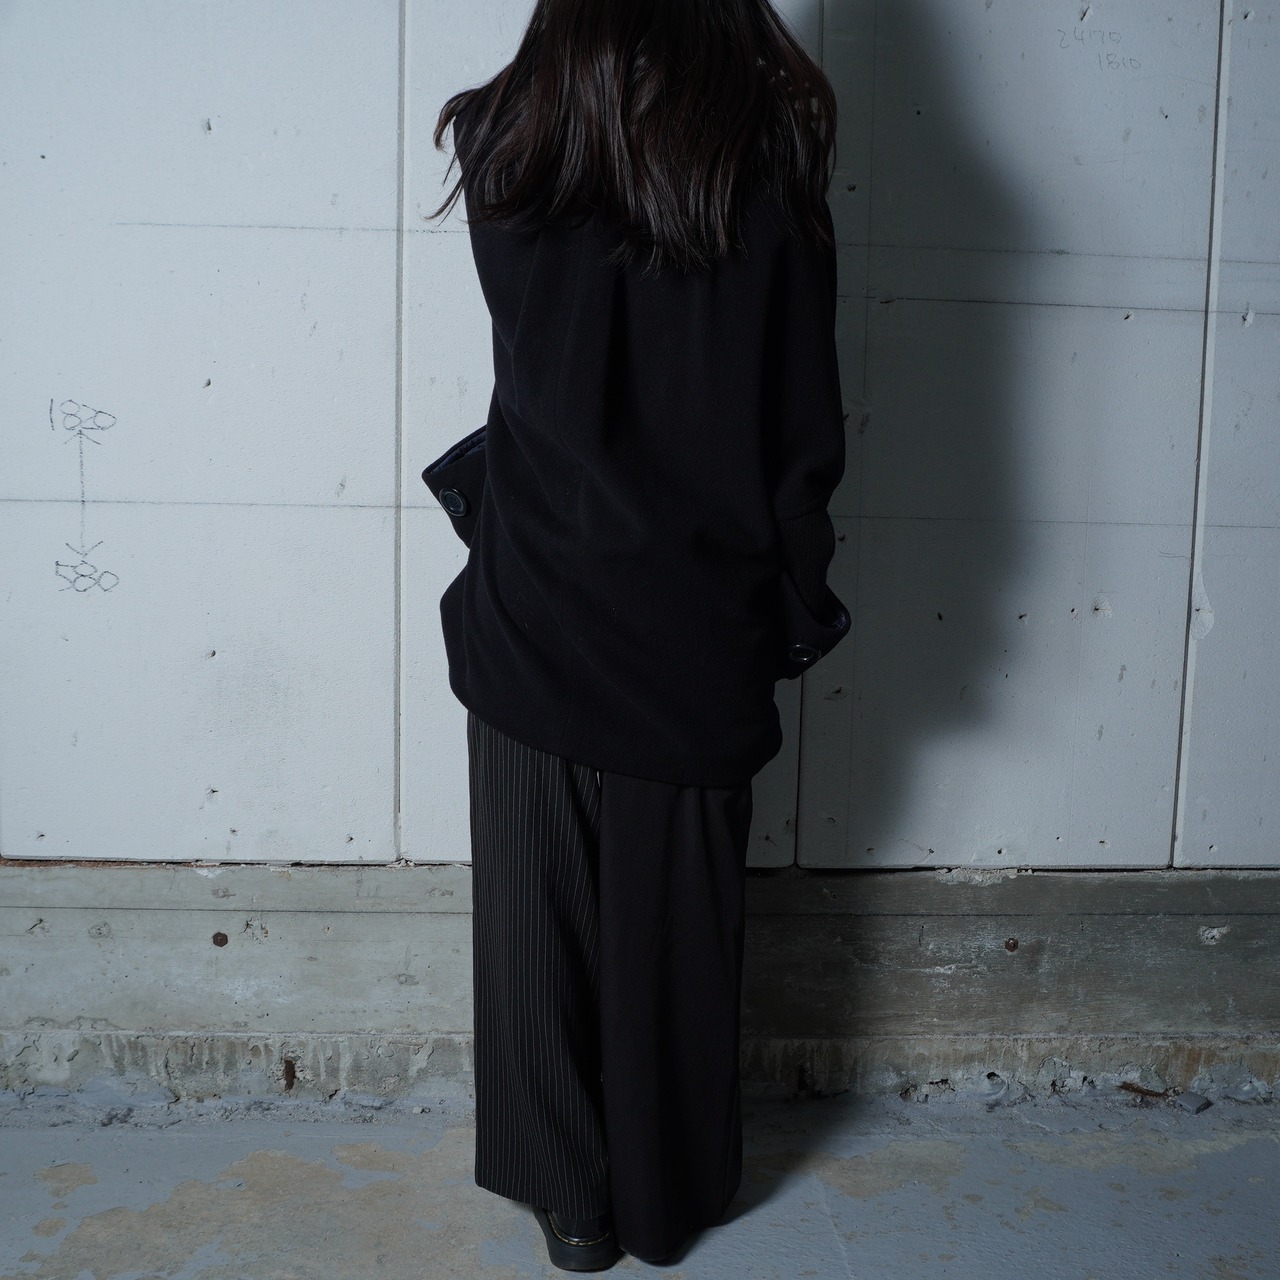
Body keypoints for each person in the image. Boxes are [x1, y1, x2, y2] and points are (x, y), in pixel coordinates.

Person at [422, 0, 848, 1269]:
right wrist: (793, 591)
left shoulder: (508, 132)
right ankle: (662, 1198)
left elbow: (540, 353)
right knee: (676, 929)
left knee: (533, 915)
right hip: (694, 607)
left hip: (538, 581)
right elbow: (799, 415)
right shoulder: (766, 147)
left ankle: (572, 1204)